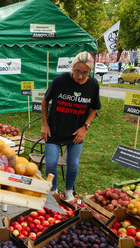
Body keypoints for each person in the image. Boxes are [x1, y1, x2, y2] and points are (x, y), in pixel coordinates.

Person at [41, 51, 101, 201]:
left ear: (90, 71)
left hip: (76, 132)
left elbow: (94, 108)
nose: (80, 76)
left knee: (73, 163)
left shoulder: (93, 84)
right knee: (51, 163)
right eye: (77, 71)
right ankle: (53, 191)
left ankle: (69, 191)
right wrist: (45, 125)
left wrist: (85, 127)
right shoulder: (60, 80)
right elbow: (44, 101)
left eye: (85, 73)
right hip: (54, 130)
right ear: (72, 67)